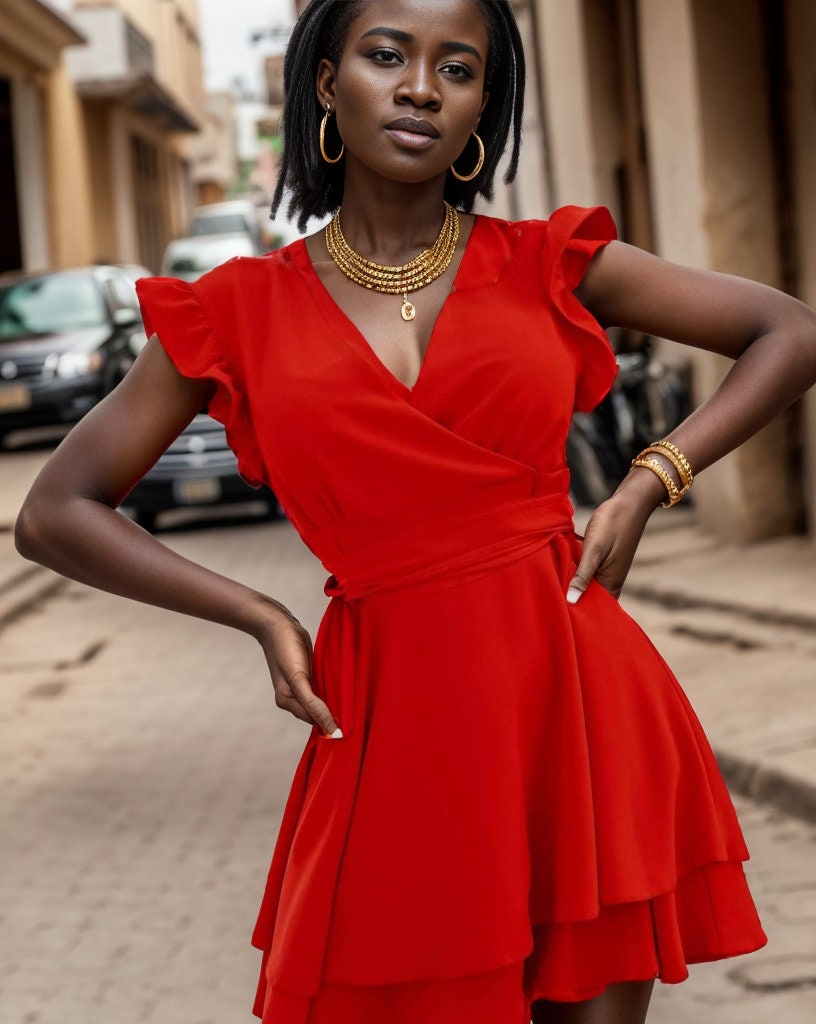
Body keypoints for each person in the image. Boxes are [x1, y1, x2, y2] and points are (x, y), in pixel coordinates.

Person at [14, 1, 816, 1022]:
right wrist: (260, 614)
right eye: (386, 55)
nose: (421, 87)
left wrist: (649, 478)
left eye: (459, 67)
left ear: (484, 102)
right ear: (323, 80)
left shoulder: (548, 263)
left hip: (576, 706)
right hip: (390, 725)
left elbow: (787, 332)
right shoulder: (235, 309)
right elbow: (56, 511)